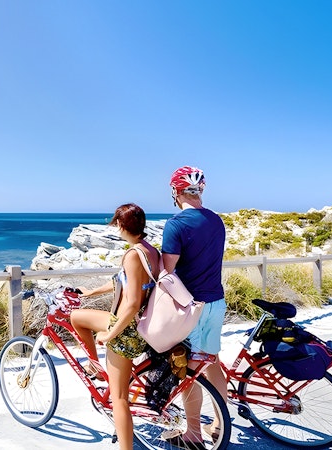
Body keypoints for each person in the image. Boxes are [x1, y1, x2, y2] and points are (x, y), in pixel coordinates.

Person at [70, 203, 160, 450]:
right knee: (77, 317)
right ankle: (95, 366)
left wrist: (111, 334)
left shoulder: (132, 255)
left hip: (126, 329)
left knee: (118, 398)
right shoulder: (150, 251)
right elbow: (124, 283)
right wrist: (91, 292)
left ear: (121, 226)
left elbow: (130, 304)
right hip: (137, 322)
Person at [161, 166, 227, 448]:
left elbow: (167, 270)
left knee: (190, 370)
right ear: (200, 191)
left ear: (175, 192)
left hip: (193, 307)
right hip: (217, 301)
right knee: (213, 364)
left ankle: (193, 435)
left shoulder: (176, 224)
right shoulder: (216, 220)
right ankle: (219, 424)